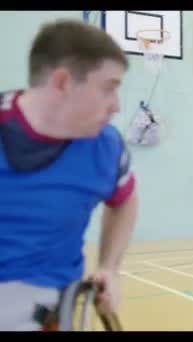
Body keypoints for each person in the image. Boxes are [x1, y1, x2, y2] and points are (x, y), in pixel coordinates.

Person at [0, 19, 138, 330]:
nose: (116, 106)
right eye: (109, 88)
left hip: (51, 308)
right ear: (62, 82)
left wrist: (109, 268)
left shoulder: (107, 146)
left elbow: (125, 200)